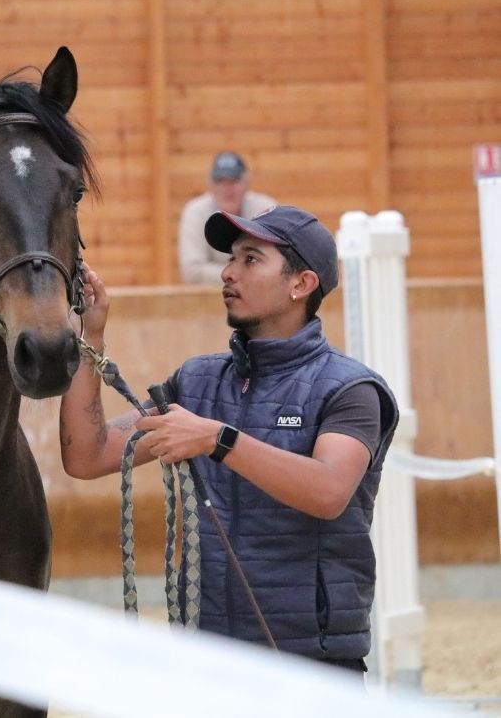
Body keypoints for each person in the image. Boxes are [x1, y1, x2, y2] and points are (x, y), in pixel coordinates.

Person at [60, 205, 399, 674]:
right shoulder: (197, 383)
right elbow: (87, 454)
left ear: (301, 284)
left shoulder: (351, 390)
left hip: (314, 667)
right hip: (208, 664)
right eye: (231, 258)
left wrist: (218, 440)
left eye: (251, 259)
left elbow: (328, 492)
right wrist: (90, 335)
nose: (228, 272)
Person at [178, 151, 276, 284]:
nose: (227, 189)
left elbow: (275, 264)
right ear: (211, 185)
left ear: (246, 183)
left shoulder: (265, 209)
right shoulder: (195, 212)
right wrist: (244, 274)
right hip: (209, 299)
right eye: (220, 181)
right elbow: (192, 271)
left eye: (234, 181)